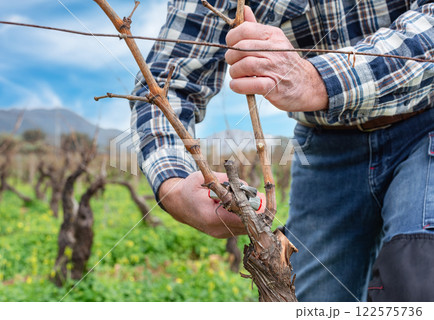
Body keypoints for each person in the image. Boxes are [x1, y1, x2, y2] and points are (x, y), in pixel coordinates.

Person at [131, 0, 434, 301]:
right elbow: (164, 82)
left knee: (418, 277)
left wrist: (318, 80)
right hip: (324, 143)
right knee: (308, 299)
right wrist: (173, 187)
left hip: (426, 122)